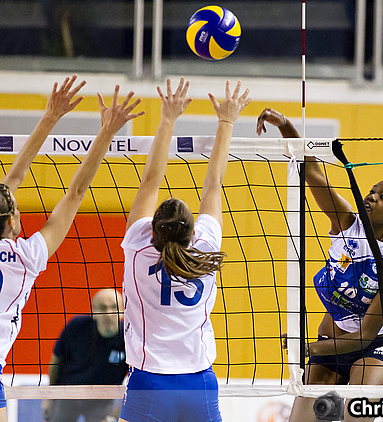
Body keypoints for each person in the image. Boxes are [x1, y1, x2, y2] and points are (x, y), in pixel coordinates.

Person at [256, 108, 383, 422]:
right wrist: (285, 125)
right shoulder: (346, 223)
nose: (371, 197)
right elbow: (312, 171)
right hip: (327, 345)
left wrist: (307, 350)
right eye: (372, 191)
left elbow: (365, 334)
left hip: (371, 350)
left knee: (355, 416)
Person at [0, 75, 144, 422]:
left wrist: (49, 118)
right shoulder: (24, 258)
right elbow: (75, 193)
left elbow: (10, 183)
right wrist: (104, 132)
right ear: (14, 221)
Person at [118, 78, 250, 422]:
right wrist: (226, 121)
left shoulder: (139, 246)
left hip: (149, 381)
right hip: (199, 383)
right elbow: (214, 184)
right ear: (192, 230)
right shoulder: (205, 247)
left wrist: (167, 119)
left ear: (152, 230)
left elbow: (150, 181)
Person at [42, 288, 127, 422]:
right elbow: (56, 360)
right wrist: (49, 397)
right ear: (94, 312)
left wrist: (114, 417)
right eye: (103, 308)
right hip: (69, 393)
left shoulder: (128, 338)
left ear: (122, 310)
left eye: (114, 307)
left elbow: (135, 383)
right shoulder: (77, 326)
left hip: (102, 400)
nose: (109, 313)